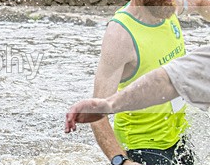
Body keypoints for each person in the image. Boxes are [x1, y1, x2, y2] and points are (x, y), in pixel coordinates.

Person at [84, 0, 210, 165]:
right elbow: (96, 111)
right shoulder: (120, 35)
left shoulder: (167, 6)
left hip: (178, 136)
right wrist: (121, 162)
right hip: (144, 148)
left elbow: (203, 3)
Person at [66, 45, 210, 133]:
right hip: (141, 137)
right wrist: (107, 105)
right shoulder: (119, 35)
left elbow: (167, 81)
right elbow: (167, 81)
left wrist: (108, 105)